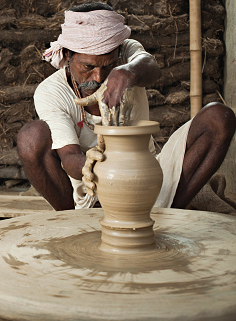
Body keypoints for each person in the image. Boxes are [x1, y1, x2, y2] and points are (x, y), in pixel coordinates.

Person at [17, 2, 236, 211]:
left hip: (146, 176)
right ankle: (75, 223)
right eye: (88, 66)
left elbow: (149, 65)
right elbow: (70, 157)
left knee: (220, 117)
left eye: (108, 65)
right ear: (67, 54)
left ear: (119, 53)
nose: (98, 76)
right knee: (30, 138)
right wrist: (96, 167)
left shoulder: (127, 55)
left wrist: (126, 72)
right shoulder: (51, 92)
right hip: (91, 187)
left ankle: (165, 213)